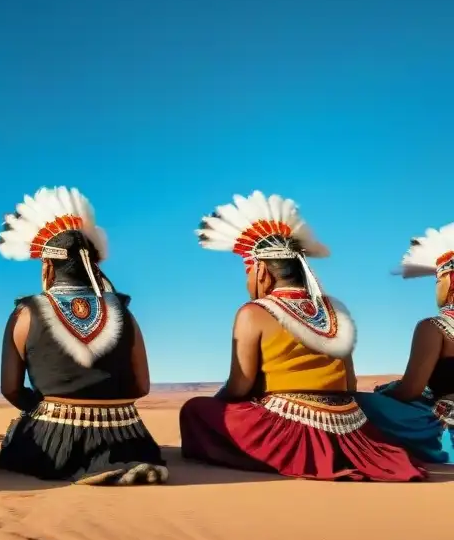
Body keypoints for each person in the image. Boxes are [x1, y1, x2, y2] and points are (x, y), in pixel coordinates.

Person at [179, 190, 425, 481]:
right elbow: (349, 382)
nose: (247, 282)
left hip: (288, 429)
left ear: (260, 272)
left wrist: (222, 400)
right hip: (349, 428)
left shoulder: (254, 312)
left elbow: (239, 387)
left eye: (247, 272)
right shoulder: (335, 310)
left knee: (195, 411)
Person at [0, 186, 168, 486]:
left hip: (54, 437)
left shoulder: (24, 314)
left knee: (16, 438)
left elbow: (11, 388)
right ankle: (118, 463)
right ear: (92, 265)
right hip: (127, 436)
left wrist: (45, 409)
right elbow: (142, 385)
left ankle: (79, 464)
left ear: (47, 265)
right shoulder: (124, 312)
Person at [354, 223, 454, 463]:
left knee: (359, 404)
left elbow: (411, 391)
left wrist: (388, 391)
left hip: (445, 426)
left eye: (437, 280)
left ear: (449, 282)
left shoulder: (434, 327)